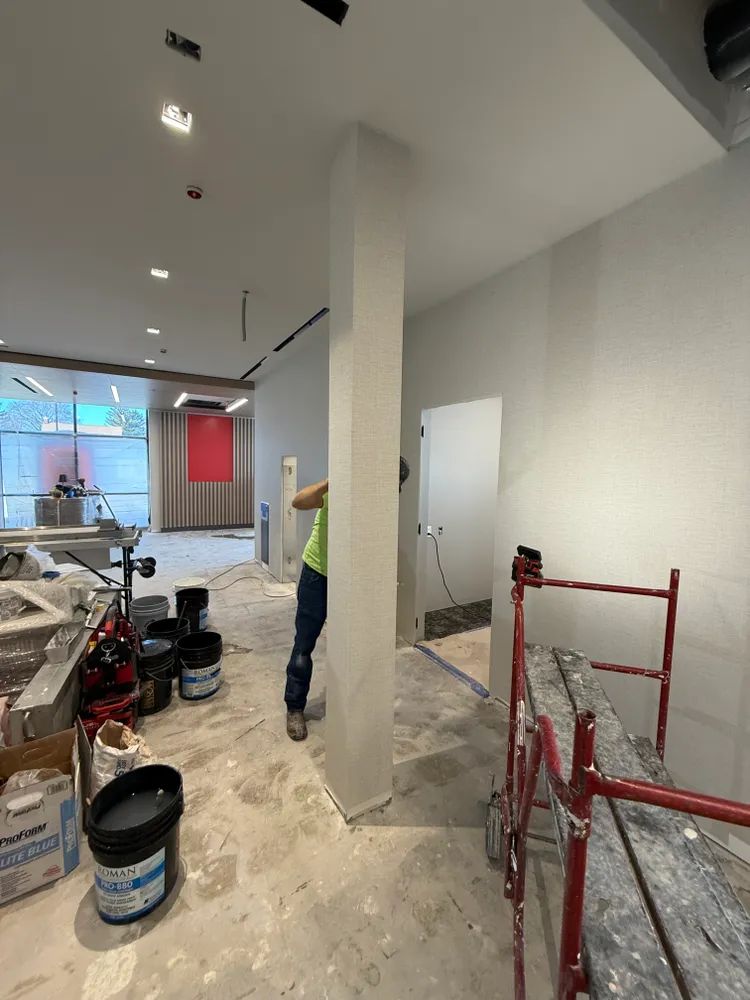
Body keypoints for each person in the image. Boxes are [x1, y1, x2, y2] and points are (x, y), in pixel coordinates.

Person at [285, 457, 410, 741]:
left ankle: (354, 704)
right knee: (304, 644)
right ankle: (294, 707)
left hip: (352, 581)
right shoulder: (339, 489)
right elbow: (298, 501)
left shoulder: (381, 503)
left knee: (355, 645)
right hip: (317, 573)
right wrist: (330, 483)